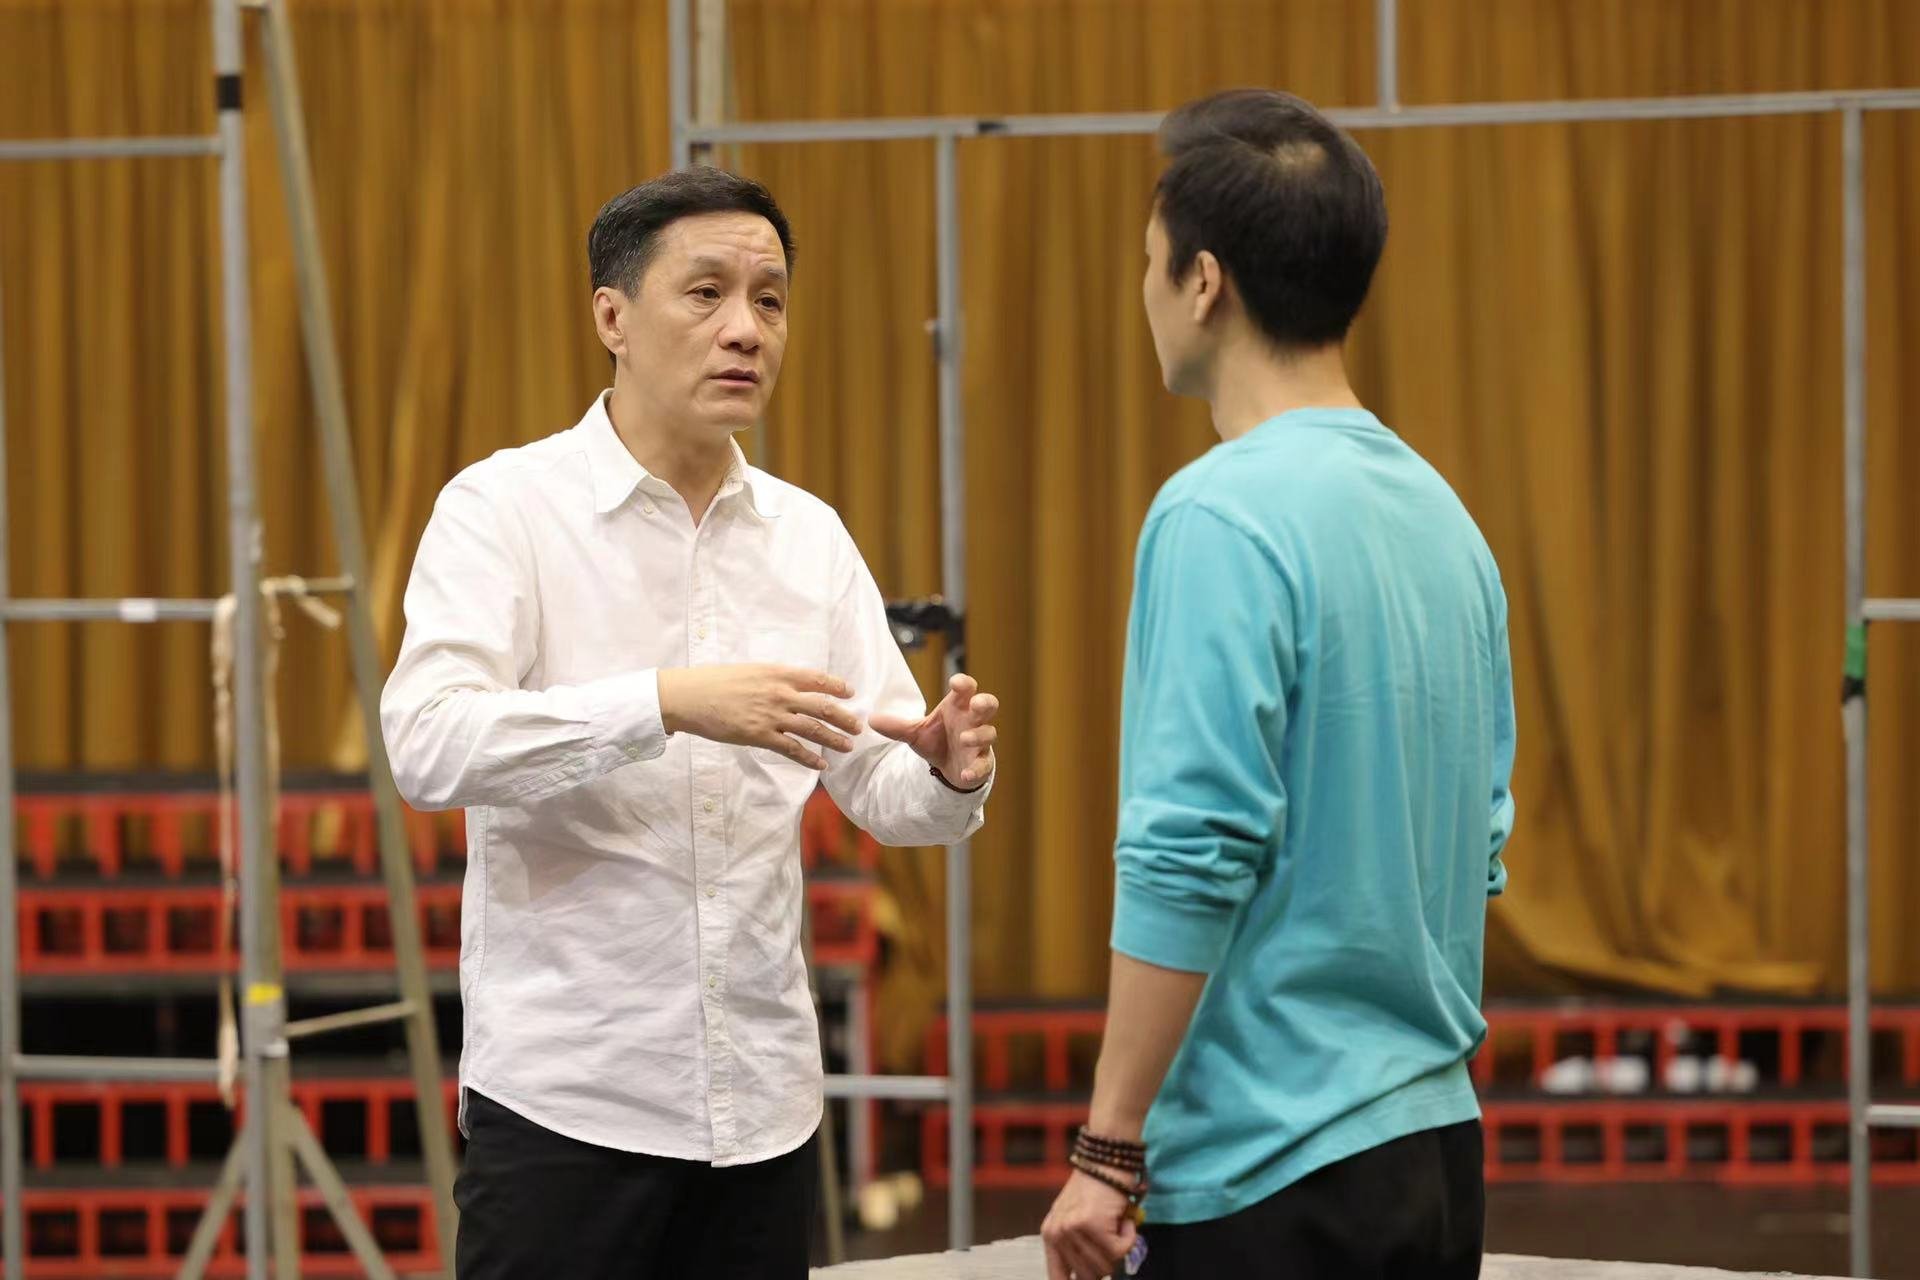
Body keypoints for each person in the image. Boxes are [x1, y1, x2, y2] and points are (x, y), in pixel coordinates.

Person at [381, 167, 1000, 1279]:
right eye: (706, 292)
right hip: (568, 1103)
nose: (745, 329)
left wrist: (947, 774)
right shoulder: (504, 508)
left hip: (762, 1106)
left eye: (769, 299)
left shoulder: (807, 538)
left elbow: (885, 791)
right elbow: (427, 742)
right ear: (611, 317)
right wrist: (665, 701)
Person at [1041, 89, 1515, 1280]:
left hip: (1271, 1171)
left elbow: (1189, 845)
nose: (1145, 289)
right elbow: (1482, 839)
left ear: (1203, 281)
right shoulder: (1448, 523)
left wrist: (1108, 1143)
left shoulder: (1217, 513)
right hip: (1435, 1154)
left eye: (1149, 260)